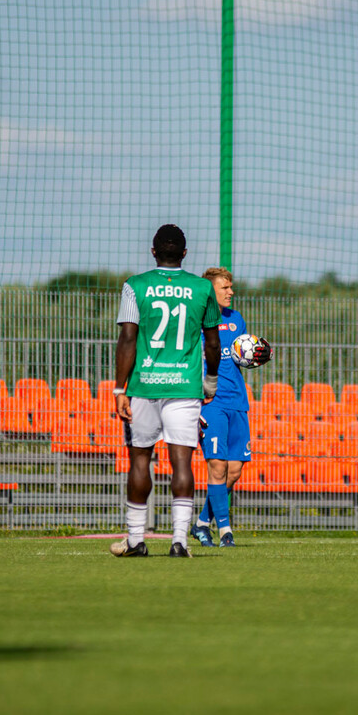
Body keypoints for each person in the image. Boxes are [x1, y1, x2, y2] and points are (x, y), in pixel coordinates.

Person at [110, 224, 222, 558]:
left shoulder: (135, 286)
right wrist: (211, 381)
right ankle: (179, 542)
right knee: (182, 461)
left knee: (140, 459)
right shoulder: (202, 289)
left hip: (144, 386)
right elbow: (213, 343)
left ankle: (135, 540)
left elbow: (128, 338)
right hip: (185, 387)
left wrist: (120, 389)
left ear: (153, 251)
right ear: (185, 253)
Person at [191, 267, 272, 548]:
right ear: (210, 291)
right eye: (225, 288)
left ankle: (202, 524)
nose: (231, 292)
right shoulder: (195, 321)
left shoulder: (236, 319)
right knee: (217, 466)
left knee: (235, 470)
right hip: (211, 403)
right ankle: (226, 532)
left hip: (238, 401)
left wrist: (253, 356)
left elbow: (238, 355)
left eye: (231, 287)